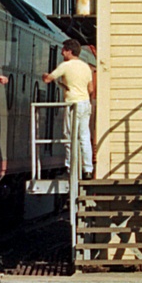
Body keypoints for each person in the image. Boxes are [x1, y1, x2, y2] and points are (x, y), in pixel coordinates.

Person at [43, 39, 94, 178]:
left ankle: (71, 167)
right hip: (85, 103)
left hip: (72, 104)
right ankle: (88, 169)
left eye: (64, 50)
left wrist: (45, 75)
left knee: (69, 135)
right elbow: (90, 89)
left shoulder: (65, 66)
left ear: (69, 51)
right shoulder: (86, 67)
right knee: (84, 136)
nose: (61, 52)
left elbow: (48, 79)